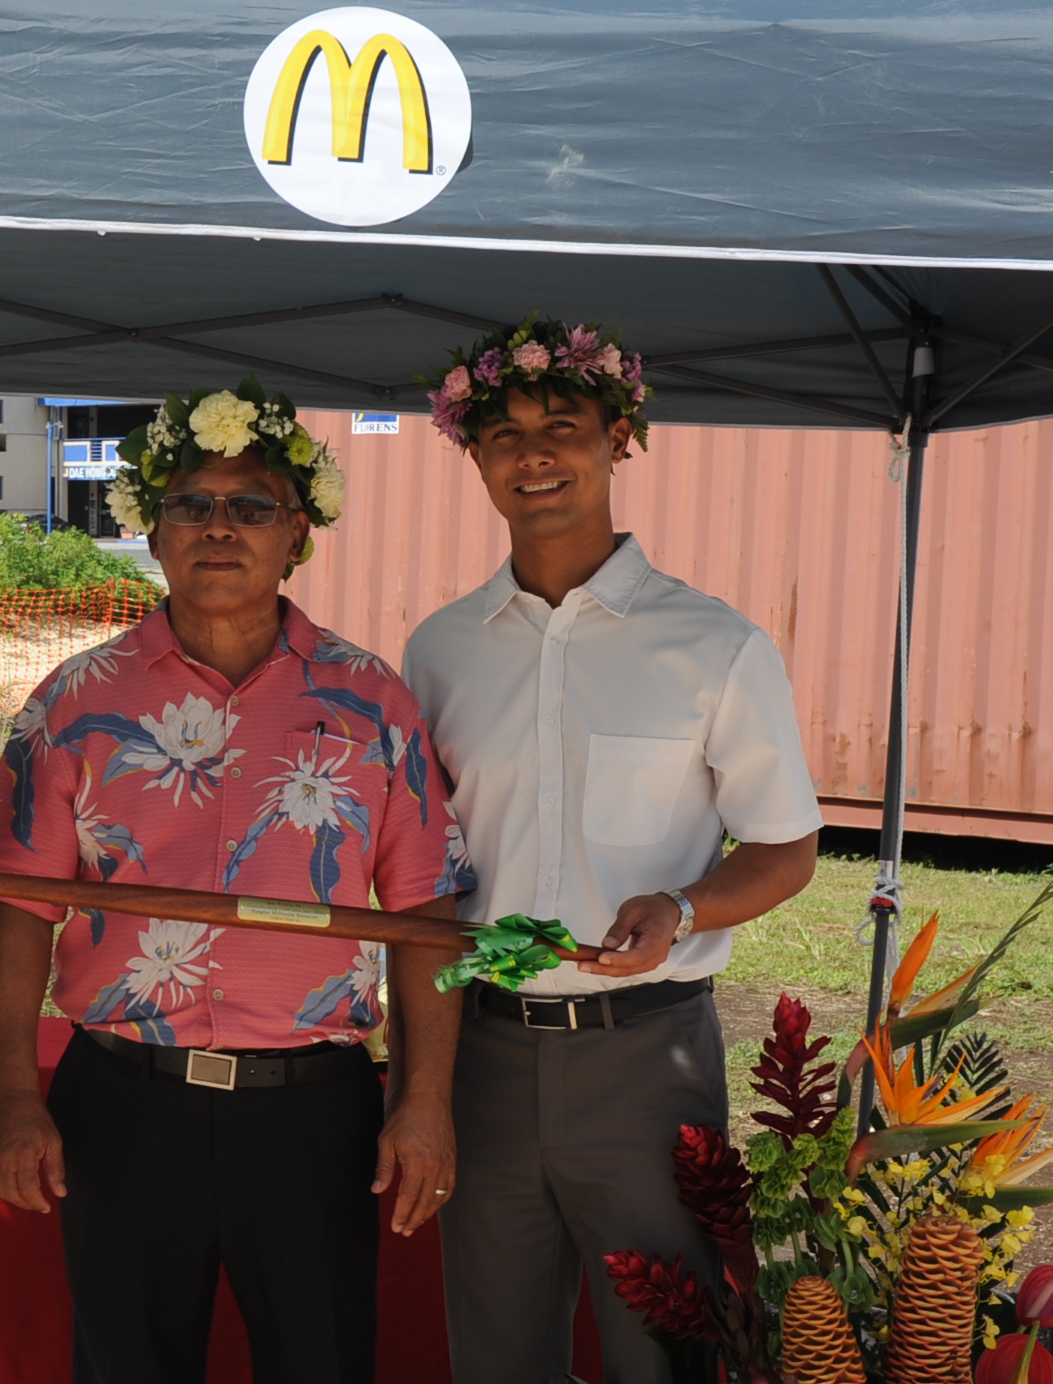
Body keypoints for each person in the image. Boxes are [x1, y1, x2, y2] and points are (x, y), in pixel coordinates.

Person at [0, 380, 476, 1384]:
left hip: (309, 1111)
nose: (218, 529)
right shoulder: (77, 700)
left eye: (250, 507)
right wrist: (12, 1096)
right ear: (150, 532)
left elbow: (425, 914)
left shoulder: (371, 699)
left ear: (296, 534)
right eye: (190, 505)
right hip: (123, 1102)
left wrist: (424, 1102)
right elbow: (20, 911)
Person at [408, 317, 822, 1384]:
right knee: (495, 1356)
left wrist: (681, 907)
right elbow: (416, 866)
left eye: (563, 425)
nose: (533, 453)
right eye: (503, 434)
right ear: (474, 455)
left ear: (616, 440)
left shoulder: (715, 644)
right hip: (484, 1059)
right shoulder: (439, 649)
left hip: (649, 1061)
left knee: (665, 1358)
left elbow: (785, 847)